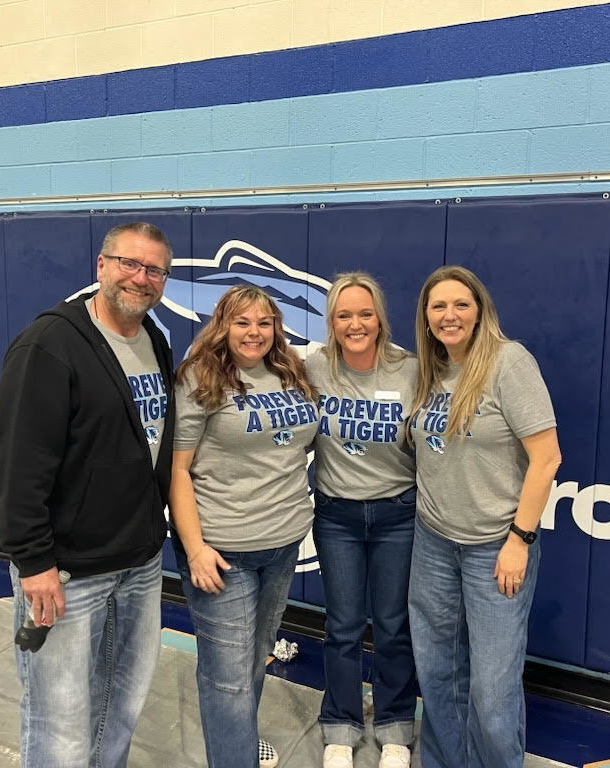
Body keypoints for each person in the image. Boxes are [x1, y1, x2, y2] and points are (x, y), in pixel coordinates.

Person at [0, 222, 176, 768]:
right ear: (101, 266)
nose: (140, 278)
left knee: (119, 709)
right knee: (62, 725)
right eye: (128, 264)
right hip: (67, 575)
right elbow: (15, 464)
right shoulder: (49, 345)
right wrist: (34, 562)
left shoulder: (154, 341)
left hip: (138, 564)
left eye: (154, 270)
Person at [407, 265, 561, 768]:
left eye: (460, 305)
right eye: (438, 307)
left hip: (495, 547)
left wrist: (520, 539)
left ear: (480, 311)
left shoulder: (508, 362)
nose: (449, 315)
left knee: (492, 693)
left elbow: (548, 457)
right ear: (426, 319)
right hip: (433, 543)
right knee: (438, 674)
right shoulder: (430, 370)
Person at [169, 285, 319, 768]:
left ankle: (239, 740)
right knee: (226, 676)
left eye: (263, 322)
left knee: (256, 659)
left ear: (276, 327)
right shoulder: (201, 376)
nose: (254, 332)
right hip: (221, 550)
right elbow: (177, 471)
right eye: (242, 322)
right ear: (223, 325)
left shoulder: (290, 371)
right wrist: (194, 549)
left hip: (280, 544)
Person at [306, 273, 418, 768]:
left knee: (394, 626)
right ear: (331, 321)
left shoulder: (411, 370)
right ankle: (341, 724)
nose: (356, 324)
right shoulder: (311, 367)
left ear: (380, 319)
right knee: (343, 625)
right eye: (344, 315)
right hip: (337, 515)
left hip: (398, 513)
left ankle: (395, 723)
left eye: (365, 314)